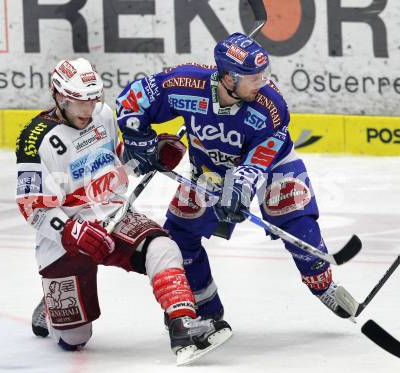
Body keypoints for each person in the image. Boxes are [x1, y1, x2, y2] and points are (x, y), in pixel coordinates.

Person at [115, 32, 356, 328]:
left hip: (273, 164)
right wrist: (140, 139)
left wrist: (240, 187)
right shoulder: (185, 84)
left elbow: (259, 159)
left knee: (296, 220)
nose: (262, 82)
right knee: (180, 236)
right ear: (228, 78)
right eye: (253, 77)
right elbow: (132, 98)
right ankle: (206, 306)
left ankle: (323, 285)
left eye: (262, 75)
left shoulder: (271, 107)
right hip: (210, 172)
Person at [15, 57, 231, 364]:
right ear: (60, 98)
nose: (88, 110)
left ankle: (182, 324)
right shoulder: (34, 139)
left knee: (163, 246)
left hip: (113, 214)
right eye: (79, 104)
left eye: (92, 101)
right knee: (75, 339)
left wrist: (152, 155)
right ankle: (51, 306)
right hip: (66, 232)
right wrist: (68, 231)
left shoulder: (102, 115)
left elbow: (120, 159)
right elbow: (31, 206)